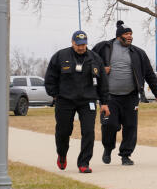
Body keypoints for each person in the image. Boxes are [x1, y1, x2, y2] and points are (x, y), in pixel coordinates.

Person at [93, 20, 157, 166]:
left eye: (131, 34)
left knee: (130, 127)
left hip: (130, 96)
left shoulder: (138, 53)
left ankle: (125, 155)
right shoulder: (104, 47)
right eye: (127, 34)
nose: (130, 36)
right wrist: (100, 70)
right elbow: (90, 61)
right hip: (109, 97)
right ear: (119, 36)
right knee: (109, 125)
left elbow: (149, 74)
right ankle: (108, 148)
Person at [44, 30, 110, 173]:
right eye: (78, 44)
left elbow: (103, 82)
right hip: (65, 100)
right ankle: (62, 154)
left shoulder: (95, 58)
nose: (81, 47)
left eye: (84, 44)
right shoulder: (60, 56)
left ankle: (84, 163)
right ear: (72, 42)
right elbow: (50, 78)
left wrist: (104, 102)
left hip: (88, 100)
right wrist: (55, 95)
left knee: (88, 132)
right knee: (63, 131)